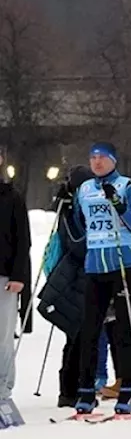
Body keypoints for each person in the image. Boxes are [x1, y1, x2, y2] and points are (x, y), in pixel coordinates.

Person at [74, 142, 131, 415]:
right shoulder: (84, 189)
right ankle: (85, 390)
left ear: (113, 161)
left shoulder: (127, 186)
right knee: (90, 330)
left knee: (123, 330)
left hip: (122, 264)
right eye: (92, 158)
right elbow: (80, 224)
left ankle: (126, 388)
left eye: (102, 158)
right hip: (95, 265)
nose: (96, 163)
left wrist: (119, 206)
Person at [37, 165, 92, 408]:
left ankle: (74, 387)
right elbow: (77, 243)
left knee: (77, 334)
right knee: (77, 333)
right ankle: (70, 389)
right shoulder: (72, 210)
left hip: (78, 273)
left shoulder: (70, 207)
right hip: (77, 274)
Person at [0, 147, 30, 403]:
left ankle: (2, 391)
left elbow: (23, 240)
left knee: (2, 338)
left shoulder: (12, 198)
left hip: (4, 278)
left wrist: (18, 275)